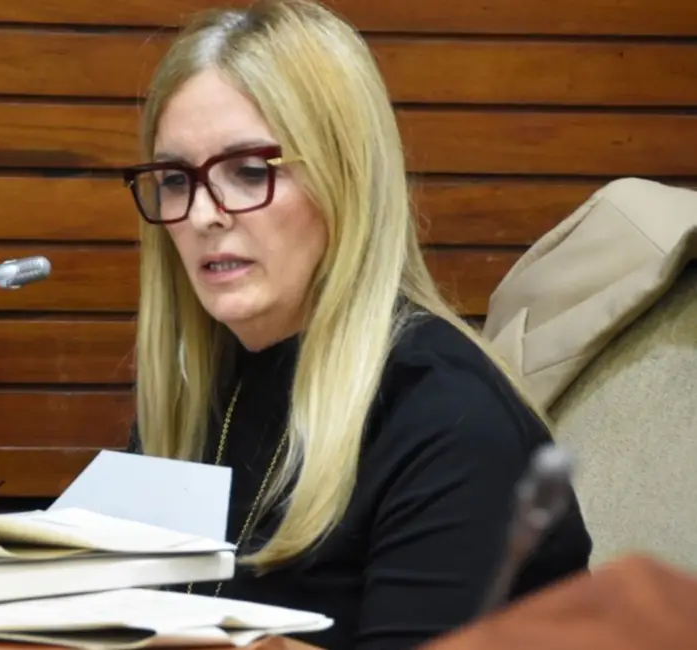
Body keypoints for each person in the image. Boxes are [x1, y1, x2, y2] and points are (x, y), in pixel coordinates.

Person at [120, 1, 593, 648]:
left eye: (250, 172)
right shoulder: (195, 391)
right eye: (176, 180)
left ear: (345, 177)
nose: (203, 214)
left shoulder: (451, 418)